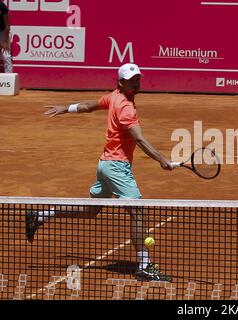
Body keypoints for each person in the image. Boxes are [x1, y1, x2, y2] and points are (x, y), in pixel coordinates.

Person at [25, 63, 173, 282]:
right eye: (132, 79)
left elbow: (87, 105)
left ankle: (40, 216)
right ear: (121, 82)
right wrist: (161, 158)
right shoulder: (126, 108)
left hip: (105, 165)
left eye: (138, 78)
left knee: (89, 211)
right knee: (137, 211)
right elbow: (139, 139)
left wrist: (66, 107)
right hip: (116, 167)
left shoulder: (113, 97)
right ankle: (144, 266)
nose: (136, 82)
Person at [0, 0, 12, 73]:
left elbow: (7, 25)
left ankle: (9, 78)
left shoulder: (2, 6)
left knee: (6, 55)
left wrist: (5, 42)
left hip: (3, 31)